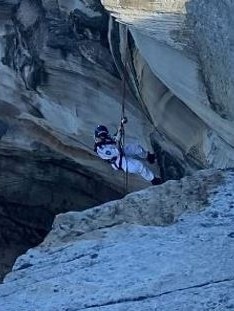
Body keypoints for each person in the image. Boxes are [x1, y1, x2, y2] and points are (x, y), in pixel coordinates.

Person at [94, 124, 163, 185]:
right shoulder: (101, 150)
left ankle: (149, 157)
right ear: (98, 136)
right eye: (102, 135)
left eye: (105, 134)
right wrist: (118, 139)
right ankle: (154, 180)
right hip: (118, 160)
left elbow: (113, 139)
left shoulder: (104, 137)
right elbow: (118, 151)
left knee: (136, 147)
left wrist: (119, 129)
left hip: (119, 150)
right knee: (138, 166)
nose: (104, 136)